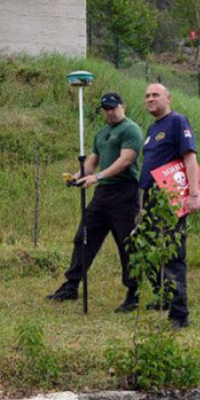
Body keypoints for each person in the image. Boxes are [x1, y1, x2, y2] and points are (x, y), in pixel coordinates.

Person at [46, 92, 143, 313]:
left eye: (113, 108)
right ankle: (71, 285)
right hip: (103, 195)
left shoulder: (131, 129)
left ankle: (133, 293)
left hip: (124, 193)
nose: (109, 112)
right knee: (83, 237)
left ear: (123, 106)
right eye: (106, 109)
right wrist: (76, 176)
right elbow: (90, 164)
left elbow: (125, 161)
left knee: (127, 244)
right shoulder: (101, 134)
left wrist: (97, 177)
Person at [138, 83, 200, 329]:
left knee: (174, 256)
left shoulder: (177, 121)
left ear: (168, 98)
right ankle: (165, 298)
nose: (150, 99)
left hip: (170, 200)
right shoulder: (153, 129)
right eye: (147, 96)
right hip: (151, 201)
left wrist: (193, 194)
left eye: (155, 95)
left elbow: (189, 158)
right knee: (150, 251)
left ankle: (179, 315)